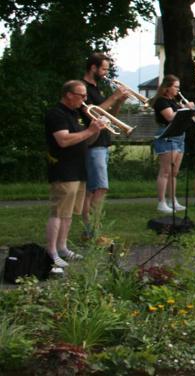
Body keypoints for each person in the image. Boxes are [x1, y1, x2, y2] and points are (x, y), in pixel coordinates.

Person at [45, 80, 105, 271]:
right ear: (69, 94)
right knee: (59, 212)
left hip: (79, 168)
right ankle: (51, 252)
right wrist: (89, 130)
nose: (85, 99)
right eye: (81, 95)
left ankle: (63, 247)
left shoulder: (76, 113)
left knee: (70, 214)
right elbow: (63, 140)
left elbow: (86, 140)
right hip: (64, 169)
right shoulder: (57, 114)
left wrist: (95, 130)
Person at [80, 52, 130, 238]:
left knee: (93, 189)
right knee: (98, 188)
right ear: (93, 68)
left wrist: (119, 100)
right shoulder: (83, 88)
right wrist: (114, 96)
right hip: (92, 143)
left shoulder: (97, 88)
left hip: (102, 142)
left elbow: (109, 116)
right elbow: (91, 112)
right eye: (103, 69)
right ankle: (93, 230)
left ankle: (91, 229)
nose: (106, 73)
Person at [153, 75, 187, 214]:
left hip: (179, 136)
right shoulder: (161, 101)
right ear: (167, 87)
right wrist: (185, 109)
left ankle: (172, 200)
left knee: (174, 172)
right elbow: (170, 117)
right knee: (165, 171)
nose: (178, 90)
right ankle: (161, 201)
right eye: (176, 87)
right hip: (167, 136)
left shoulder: (174, 101)